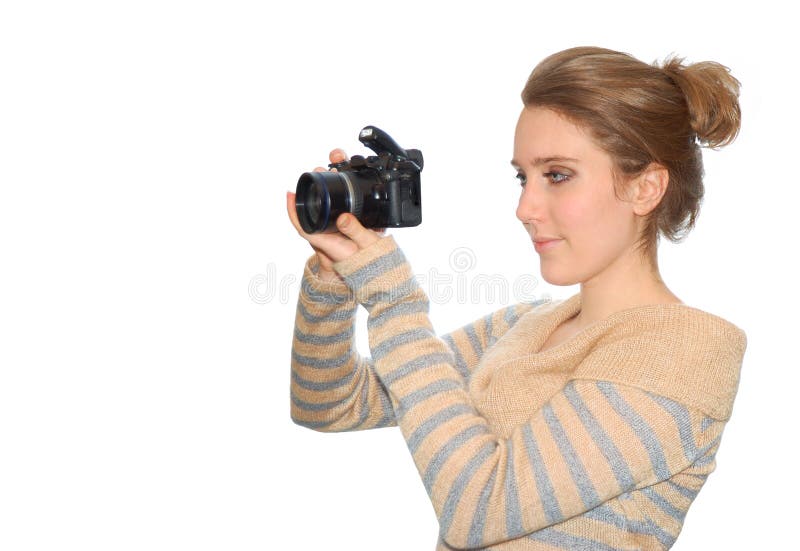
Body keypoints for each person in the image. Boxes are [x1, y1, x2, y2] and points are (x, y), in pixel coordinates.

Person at [285, 46, 747, 550]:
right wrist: (334, 275)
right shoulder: (524, 327)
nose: (525, 207)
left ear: (646, 188)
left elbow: (478, 506)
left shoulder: (684, 351)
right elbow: (328, 403)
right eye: (523, 177)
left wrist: (392, 298)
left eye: (557, 175)